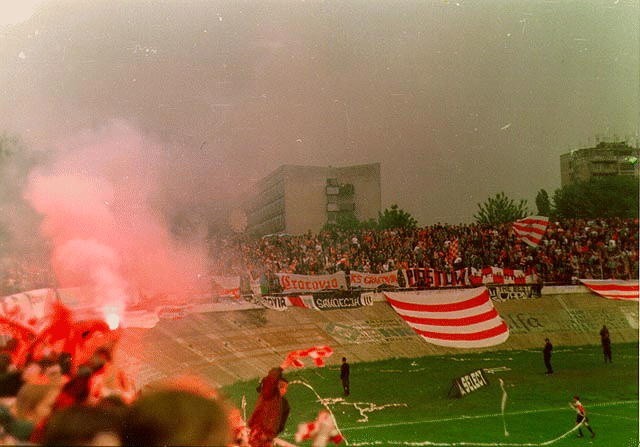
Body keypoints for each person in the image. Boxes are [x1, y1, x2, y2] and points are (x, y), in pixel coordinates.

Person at [248, 367, 288, 447]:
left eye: (285, 388)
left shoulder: (284, 404)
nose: (284, 390)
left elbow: (281, 424)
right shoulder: (268, 397)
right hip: (260, 433)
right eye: (282, 386)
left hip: (265, 435)